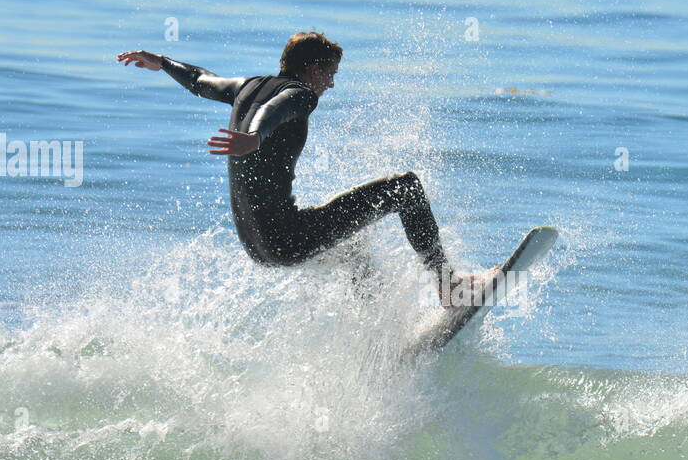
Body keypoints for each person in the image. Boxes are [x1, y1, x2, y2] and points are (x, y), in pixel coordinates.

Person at [116, 32, 482, 305]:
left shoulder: (248, 86)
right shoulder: (301, 93)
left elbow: (200, 80)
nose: (331, 83)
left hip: (257, 246)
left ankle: (376, 333)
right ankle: (449, 286)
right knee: (406, 187)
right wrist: (256, 136)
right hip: (289, 239)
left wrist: (163, 63)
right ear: (312, 69)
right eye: (330, 73)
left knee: (352, 247)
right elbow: (278, 109)